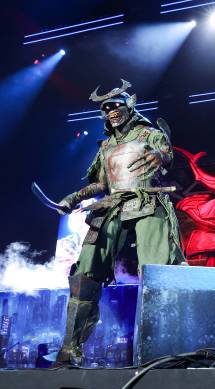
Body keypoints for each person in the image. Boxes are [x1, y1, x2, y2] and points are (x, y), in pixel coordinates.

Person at [54, 79, 185, 366]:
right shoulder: (106, 146)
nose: (111, 110)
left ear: (130, 106)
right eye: (105, 108)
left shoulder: (148, 132)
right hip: (113, 204)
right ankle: (70, 348)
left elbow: (166, 156)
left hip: (149, 199)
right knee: (84, 274)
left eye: (115, 105)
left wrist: (159, 155)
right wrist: (74, 197)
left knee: (158, 271)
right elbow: (101, 183)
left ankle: (163, 348)